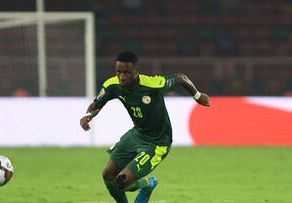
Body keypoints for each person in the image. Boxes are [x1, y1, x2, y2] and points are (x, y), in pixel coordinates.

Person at [80, 51, 210, 203]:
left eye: (126, 73)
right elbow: (97, 104)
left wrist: (197, 95)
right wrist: (88, 116)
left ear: (136, 71)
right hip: (137, 135)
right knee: (108, 176)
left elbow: (181, 78)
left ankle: (148, 184)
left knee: (121, 182)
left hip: (157, 143)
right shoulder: (113, 85)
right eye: (119, 72)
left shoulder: (151, 84)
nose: (122, 77)